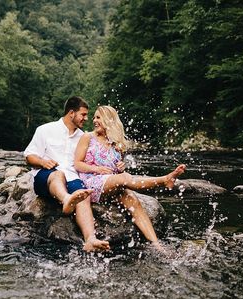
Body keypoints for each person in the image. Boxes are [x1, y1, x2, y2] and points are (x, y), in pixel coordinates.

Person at [74, 105, 186, 251]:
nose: (94, 120)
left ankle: (157, 245)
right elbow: (77, 163)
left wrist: (120, 167)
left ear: (109, 120)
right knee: (125, 178)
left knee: (133, 199)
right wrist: (97, 168)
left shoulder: (116, 143)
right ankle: (164, 180)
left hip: (109, 185)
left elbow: (114, 169)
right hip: (90, 183)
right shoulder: (87, 137)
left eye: (98, 117)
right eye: (94, 117)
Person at [24, 96, 110, 252]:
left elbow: (93, 161)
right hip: (47, 177)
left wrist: (117, 165)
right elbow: (29, 156)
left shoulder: (84, 137)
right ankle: (66, 200)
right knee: (59, 175)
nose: (86, 118)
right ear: (71, 113)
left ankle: (90, 239)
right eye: (83, 114)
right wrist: (43, 162)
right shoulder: (45, 130)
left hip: (72, 177)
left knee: (83, 194)